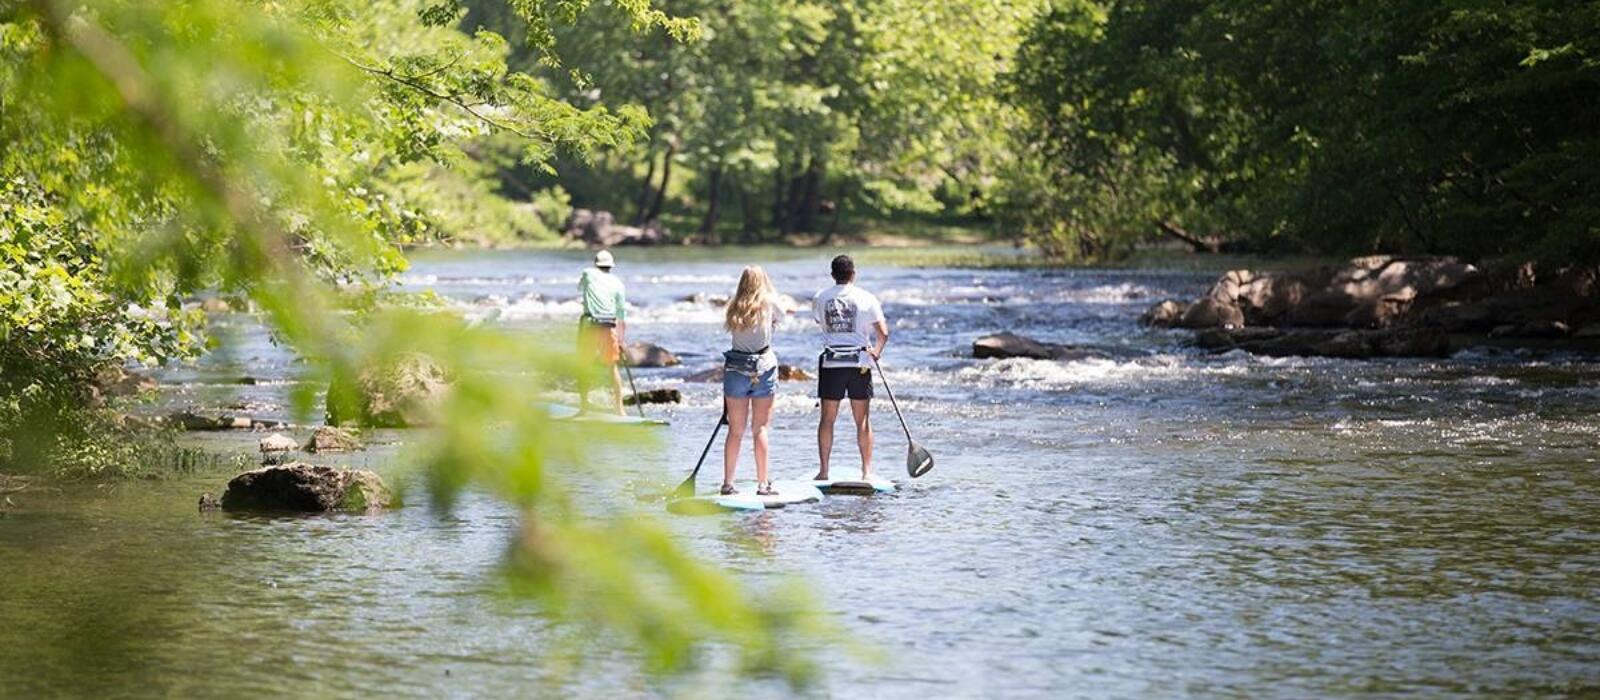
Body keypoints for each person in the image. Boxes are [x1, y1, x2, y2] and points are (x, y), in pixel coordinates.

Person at [812, 255, 888, 481]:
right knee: (862, 420)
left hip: (831, 364)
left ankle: (824, 471)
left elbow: (819, 321)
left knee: (827, 419)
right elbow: (883, 333)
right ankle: (866, 471)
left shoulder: (820, 297)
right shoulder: (867, 297)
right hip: (860, 364)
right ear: (853, 274)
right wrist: (877, 351)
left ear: (833, 275)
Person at [720, 266, 783, 496]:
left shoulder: (734, 304)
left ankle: (728, 484)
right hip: (763, 368)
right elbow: (784, 316)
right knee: (761, 429)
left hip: (736, 368)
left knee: (735, 430)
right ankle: (763, 484)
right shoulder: (769, 302)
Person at [577, 250, 627, 415]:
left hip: (590, 325)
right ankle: (620, 410)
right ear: (611, 266)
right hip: (609, 326)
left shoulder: (588, 274)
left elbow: (580, 288)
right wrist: (621, 339)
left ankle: (584, 409)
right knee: (612, 368)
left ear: (595, 264)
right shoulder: (619, 283)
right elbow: (621, 315)